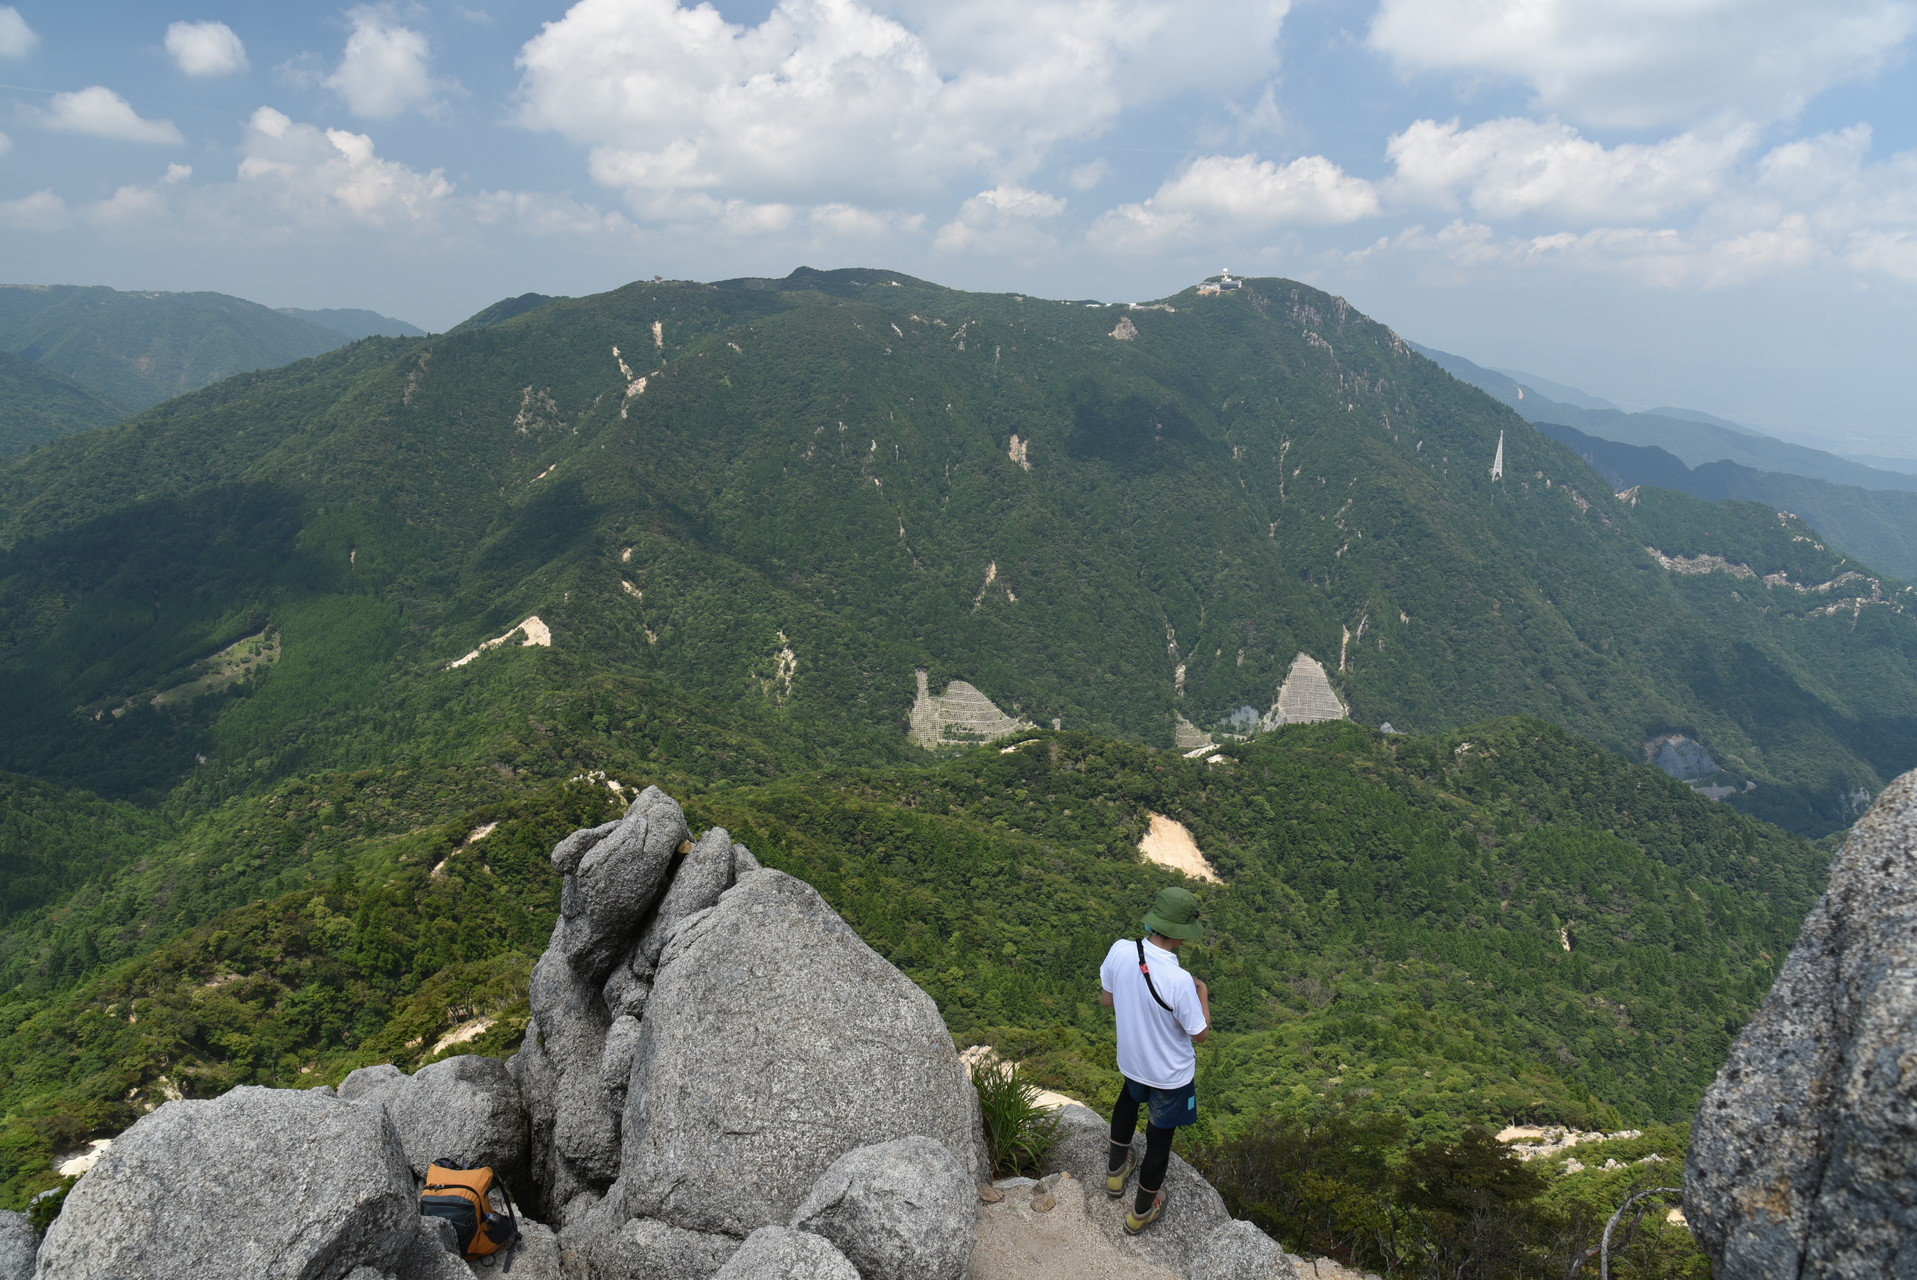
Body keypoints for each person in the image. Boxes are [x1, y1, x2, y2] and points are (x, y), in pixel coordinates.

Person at [1099, 885, 1210, 1233]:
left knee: (1127, 1103)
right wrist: (1202, 992)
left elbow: (1108, 1000)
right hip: (1170, 1075)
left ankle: (1115, 1175)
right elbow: (1200, 1033)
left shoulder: (1120, 950)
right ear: (1181, 936)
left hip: (1133, 1061)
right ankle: (1140, 1212)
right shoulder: (1180, 981)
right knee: (1159, 1141)